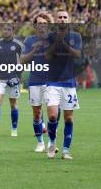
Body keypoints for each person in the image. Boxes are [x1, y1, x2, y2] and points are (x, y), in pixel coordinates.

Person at [45, 10, 81, 160]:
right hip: (53, 81)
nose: (62, 19)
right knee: (53, 116)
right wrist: (57, 42)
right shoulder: (50, 36)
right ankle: (52, 144)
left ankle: (66, 150)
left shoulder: (76, 36)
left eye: (64, 17)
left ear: (69, 19)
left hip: (69, 83)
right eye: (59, 17)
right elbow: (47, 55)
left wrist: (64, 43)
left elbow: (77, 54)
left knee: (68, 118)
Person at [21, 12, 53, 152]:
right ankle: (40, 142)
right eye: (39, 23)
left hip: (51, 81)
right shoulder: (29, 40)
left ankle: (52, 142)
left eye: (45, 23)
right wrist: (35, 49)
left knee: (52, 112)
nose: (42, 26)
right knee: (37, 113)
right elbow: (23, 60)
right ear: (35, 25)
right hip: (34, 81)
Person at [0, 23, 24, 137]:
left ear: (12, 31)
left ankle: (14, 128)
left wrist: (17, 77)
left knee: (13, 103)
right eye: (4, 29)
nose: (6, 31)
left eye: (8, 29)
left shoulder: (18, 45)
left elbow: (23, 62)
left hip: (13, 78)